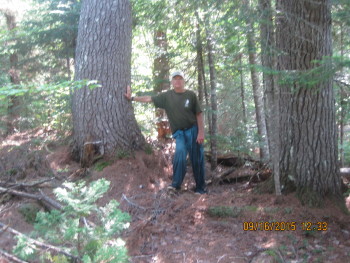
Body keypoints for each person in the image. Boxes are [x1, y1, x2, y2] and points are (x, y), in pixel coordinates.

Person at [125, 71, 207, 194]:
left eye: (180, 79)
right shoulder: (167, 96)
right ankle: (176, 185)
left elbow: (199, 114)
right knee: (180, 153)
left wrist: (201, 133)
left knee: (197, 159)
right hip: (179, 133)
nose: (178, 81)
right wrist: (132, 98)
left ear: (183, 81)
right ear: (172, 82)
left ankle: (200, 188)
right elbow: (149, 99)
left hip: (193, 130)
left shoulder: (190, 95)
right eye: (175, 79)